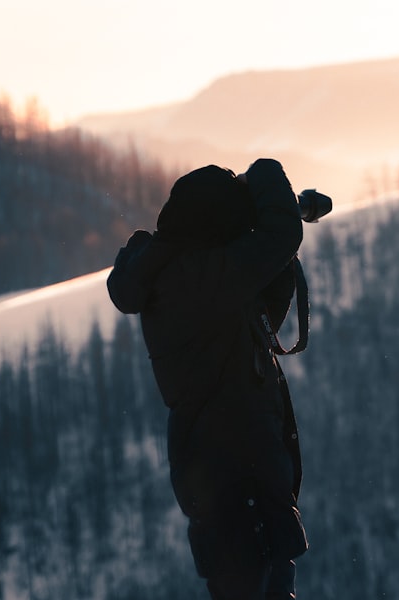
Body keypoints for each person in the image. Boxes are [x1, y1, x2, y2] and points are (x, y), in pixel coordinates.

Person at [107, 158, 308, 599]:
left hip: (242, 490)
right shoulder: (193, 282)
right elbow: (282, 235)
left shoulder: (184, 280)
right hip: (237, 496)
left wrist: (275, 261)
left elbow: (259, 324)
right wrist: (264, 173)